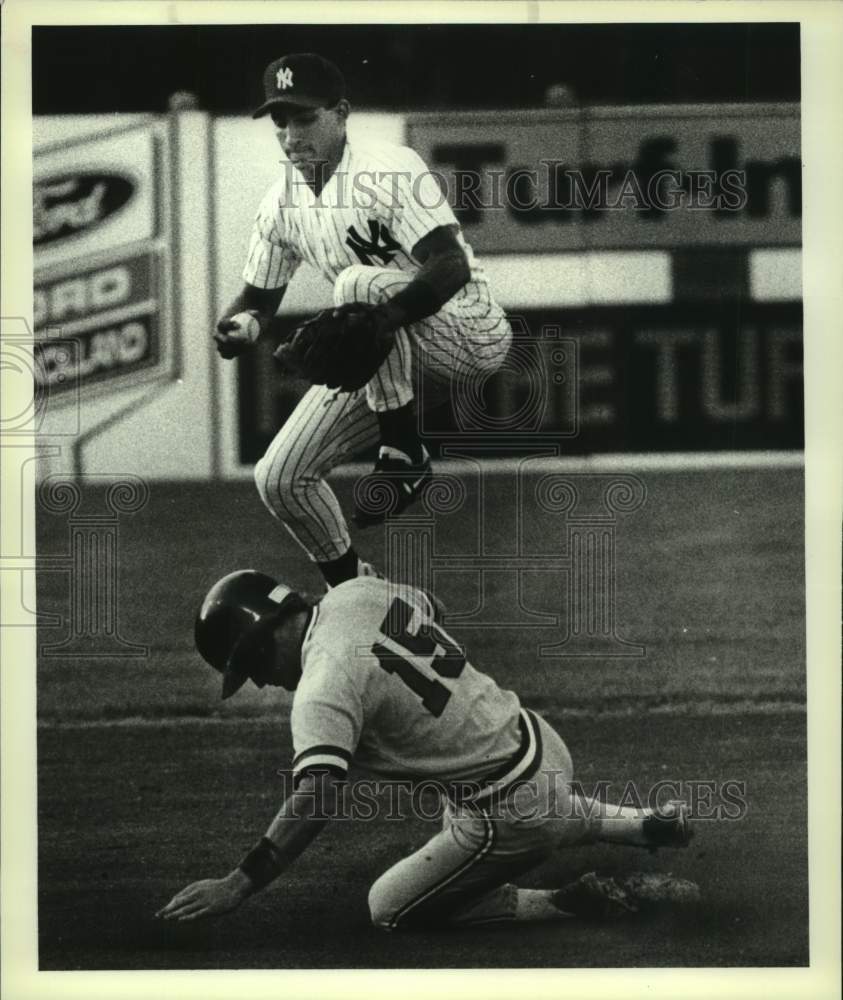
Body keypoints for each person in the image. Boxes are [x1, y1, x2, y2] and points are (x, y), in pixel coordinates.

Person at [157, 570, 698, 928]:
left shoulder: (322, 684)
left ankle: (562, 901)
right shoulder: (353, 594)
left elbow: (316, 797)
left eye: (249, 669)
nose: (260, 683)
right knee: (476, 790)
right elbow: (433, 606)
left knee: (389, 909)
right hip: (539, 739)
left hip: (508, 809)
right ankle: (643, 822)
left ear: (262, 637)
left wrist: (239, 883)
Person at [213, 53, 513, 589]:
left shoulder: (388, 167)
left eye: (304, 118)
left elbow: (450, 263)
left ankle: (403, 452)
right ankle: (356, 595)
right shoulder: (281, 205)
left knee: (357, 284)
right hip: (392, 358)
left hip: (467, 333)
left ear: (342, 112)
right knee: (280, 477)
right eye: (281, 121)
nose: (290, 134)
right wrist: (242, 327)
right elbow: (256, 300)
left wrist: (382, 320)